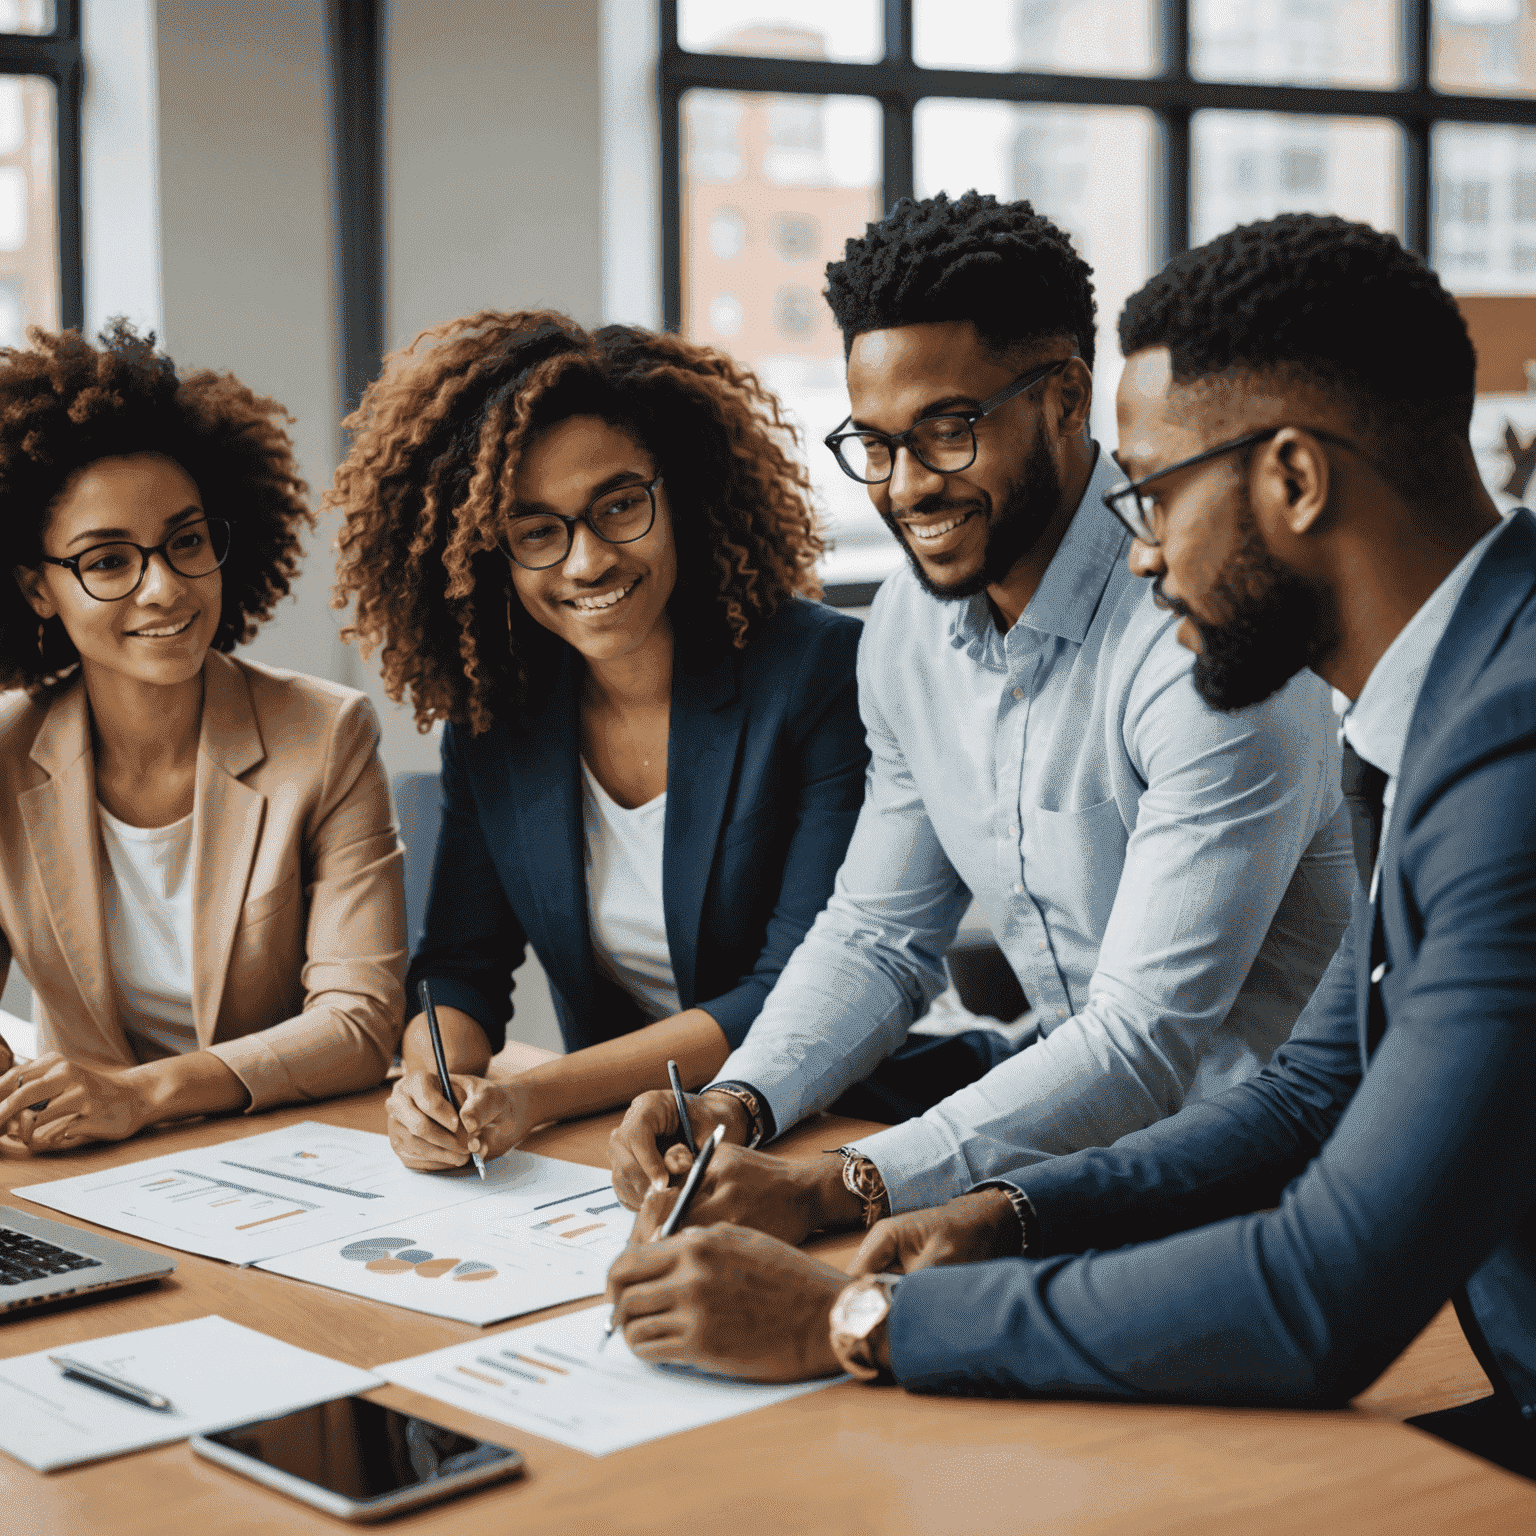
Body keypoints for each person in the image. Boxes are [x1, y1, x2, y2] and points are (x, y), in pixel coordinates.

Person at [605, 214, 1536, 1482]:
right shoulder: (1452, 700)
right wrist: (998, 1215)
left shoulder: (1509, 751)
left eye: (1152, 494)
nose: (1141, 548)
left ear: (1297, 481)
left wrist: (854, 1317)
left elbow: (1326, 1289)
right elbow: (1318, 1088)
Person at [608, 192, 1353, 1242]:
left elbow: (1142, 1042)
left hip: (1274, 1190)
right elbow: (878, 932)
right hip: (1052, 1171)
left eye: (947, 432)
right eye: (874, 444)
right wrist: (741, 1101)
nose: (907, 487)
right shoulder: (907, 629)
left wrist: (841, 1185)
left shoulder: (1208, 640)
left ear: (1065, 397)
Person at [330, 312, 876, 1173]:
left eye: (619, 506)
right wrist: (435, 1077)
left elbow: (793, 992)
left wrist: (534, 1094)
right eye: (537, 530)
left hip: (837, 1128)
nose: (586, 562)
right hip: (628, 1149)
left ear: (681, 493)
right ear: (488, 552)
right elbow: (461, 967)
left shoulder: (815, 672)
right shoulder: (496, 715)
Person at [0, 322, 407, 1151]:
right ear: (38, 591)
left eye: (187, 542)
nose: (165, 588)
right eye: (107, 561)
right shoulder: (5, 756)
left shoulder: (325, 736)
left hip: (285, 1150)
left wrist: (139, 1094)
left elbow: (359, 1025)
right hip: (83, 1163)